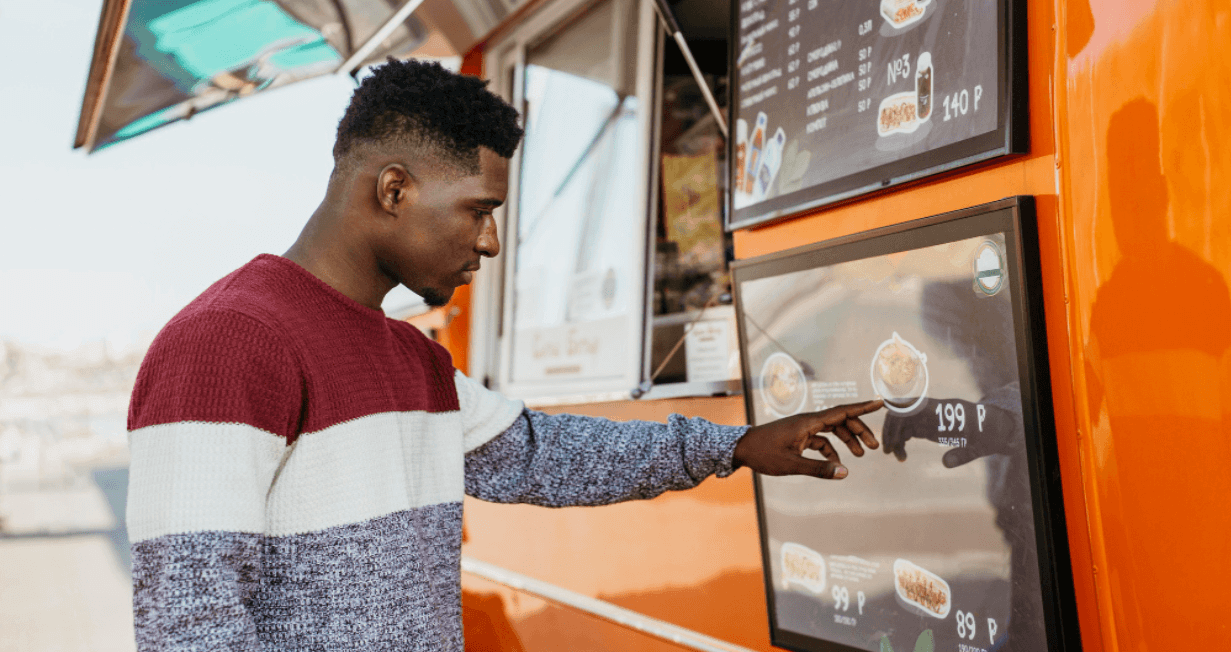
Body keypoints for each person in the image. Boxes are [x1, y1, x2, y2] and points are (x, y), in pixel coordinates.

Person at [125, 59, 884, 651]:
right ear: (393, 190)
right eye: (478, 211)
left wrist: (738, 446)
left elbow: (540, 454)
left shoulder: (409, 358)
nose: (489, 241)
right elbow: (188, 623)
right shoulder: (226, 342)